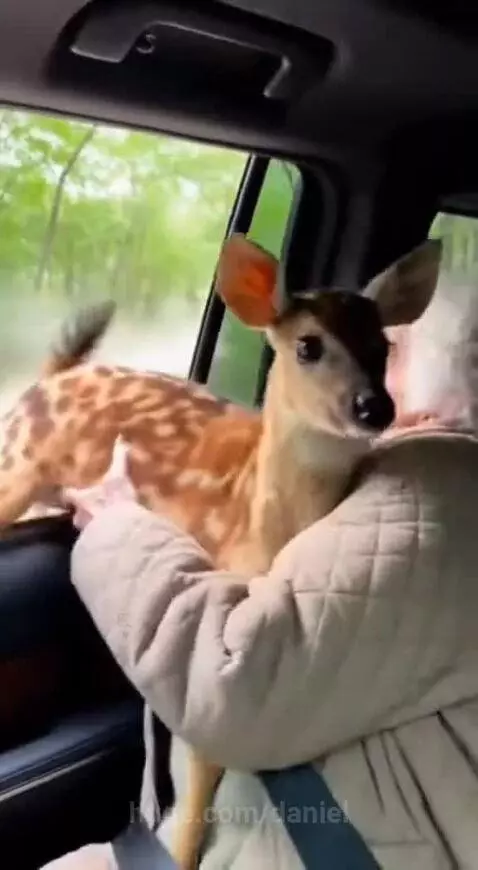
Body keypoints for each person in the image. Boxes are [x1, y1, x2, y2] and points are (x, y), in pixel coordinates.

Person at [44, 269, 478, 869]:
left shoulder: (438, 491)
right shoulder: (399, 487)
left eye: (384, 351)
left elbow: (232, 685)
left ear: (435, 402)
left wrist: (119, 525)